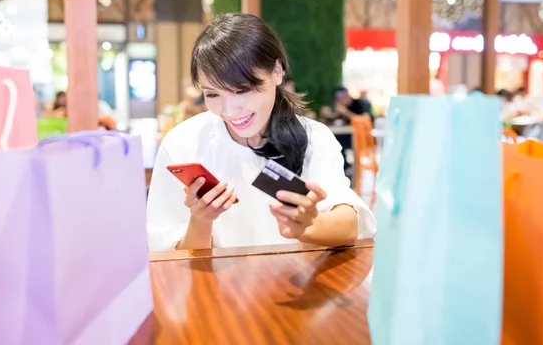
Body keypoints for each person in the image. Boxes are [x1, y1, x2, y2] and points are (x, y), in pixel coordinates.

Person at [146, 14, 376, 251]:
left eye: (242, 90)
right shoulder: (182, 144)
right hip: (215, 286)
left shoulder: (313, 138)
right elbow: (169, 256)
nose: (229, 110)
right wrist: (201, 220)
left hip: (296, 284)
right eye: (212, 94)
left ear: (277, 71)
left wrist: (309, 226)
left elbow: (350, 226)